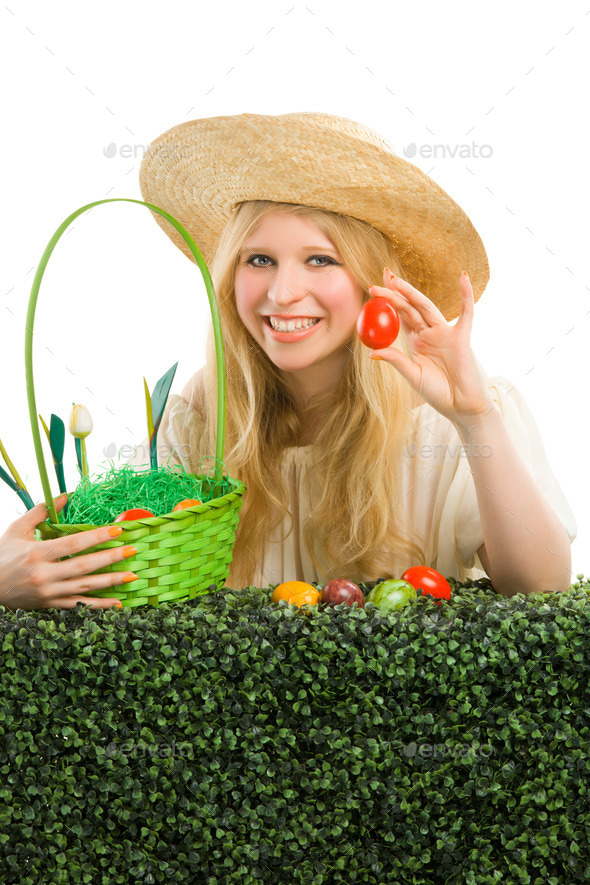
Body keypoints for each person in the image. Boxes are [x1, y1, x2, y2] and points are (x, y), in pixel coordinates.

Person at [0, 112, 577, 611]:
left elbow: (543, 589)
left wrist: (476, 418)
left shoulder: (449, 416)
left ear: (376, 284)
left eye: (321, 260)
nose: (282, 293)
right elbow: (132, 565)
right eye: (259, 260)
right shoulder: (200, 416)